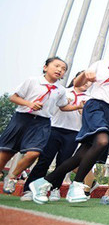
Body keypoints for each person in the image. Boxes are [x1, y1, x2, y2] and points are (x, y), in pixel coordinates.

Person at [29, 41, 109, 205]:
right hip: (96, 106)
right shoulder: (101, 65)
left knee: (83, 152)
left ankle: (43, 183)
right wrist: (86, 74)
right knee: (102, 141)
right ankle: (77, 185)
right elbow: (77, 84)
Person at [0, 58, 69, 195]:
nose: (59, 70)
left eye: (63, 69)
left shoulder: (60, 90)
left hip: (41, 123)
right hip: (21, 119)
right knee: (5, 154)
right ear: (45, 67)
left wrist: (79, 106)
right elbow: (13, 98)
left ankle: (12, 177)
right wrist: (29, 104)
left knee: (34, 153)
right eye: (56, 66)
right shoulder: (32, 81)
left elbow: (63, 106)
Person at [20, 71, 90, 202]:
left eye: (89, 81)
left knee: (63, 162)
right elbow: (51, 107)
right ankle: (30, 189)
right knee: (44, 159)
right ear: (76, 79)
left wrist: (83, 110)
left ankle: (55, 189)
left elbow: (87, 116)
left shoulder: (90, 98)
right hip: (54, 128)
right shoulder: (62, 91)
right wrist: (65, 103)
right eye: (83, 80)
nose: (86, 83)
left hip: (73, 132)